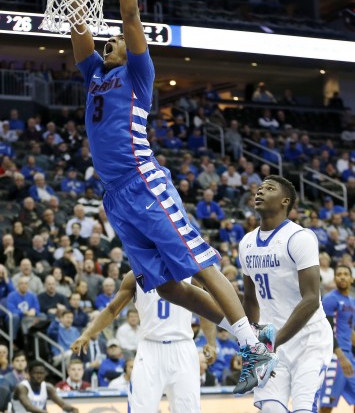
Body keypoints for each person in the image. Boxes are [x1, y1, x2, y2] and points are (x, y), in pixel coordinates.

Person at [66, 0, 277, 394]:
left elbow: (130, 14)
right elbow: (79, 28)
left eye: (118, 40)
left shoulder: (138, 73)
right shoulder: (95, 75)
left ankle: (253, 349)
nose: (113, 40)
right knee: (165, 287)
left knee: (200, 266)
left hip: (143, 182)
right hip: (115, 197)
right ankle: (247, 337)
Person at [238, 174, 334, 407]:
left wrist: (270, 345)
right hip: (271, 340)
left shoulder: (300, 238)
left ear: (285, 201)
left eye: (269, 188)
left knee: (303, 407)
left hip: (308, 339)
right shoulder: (246, 243)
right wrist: (252, 344)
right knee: (271, 408)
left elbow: (311, 299)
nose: (260, 192)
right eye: (259, 188)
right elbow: (250, 299)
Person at [71, 270, 217, 412]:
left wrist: (211, 342)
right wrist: (88, 333)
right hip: (150, 348)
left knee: (189, 409)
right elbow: (112, 309)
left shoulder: (190, 274)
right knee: (140, 408)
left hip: (183, 346)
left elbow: (205, 310)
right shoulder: (135, 274)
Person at [319, 265, 355, 412]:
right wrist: (341, 357)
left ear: (352, 279)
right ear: (334, 278)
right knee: (328, 404)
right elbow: (327, 331)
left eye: (345, 274)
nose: (342, 277)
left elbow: (350, 332)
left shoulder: (352, 301)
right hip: (335, 356)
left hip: (348, 356)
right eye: (339, 274)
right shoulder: (330, 299)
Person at [12, 360, 79, 413]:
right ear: (30, 374)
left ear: (45, 374)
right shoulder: (22, 387)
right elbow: (28, 407)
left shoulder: (48, 387)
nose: (39, 376)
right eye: (36, 373)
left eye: (41, 373)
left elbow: (63, 405)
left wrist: (73, 409)